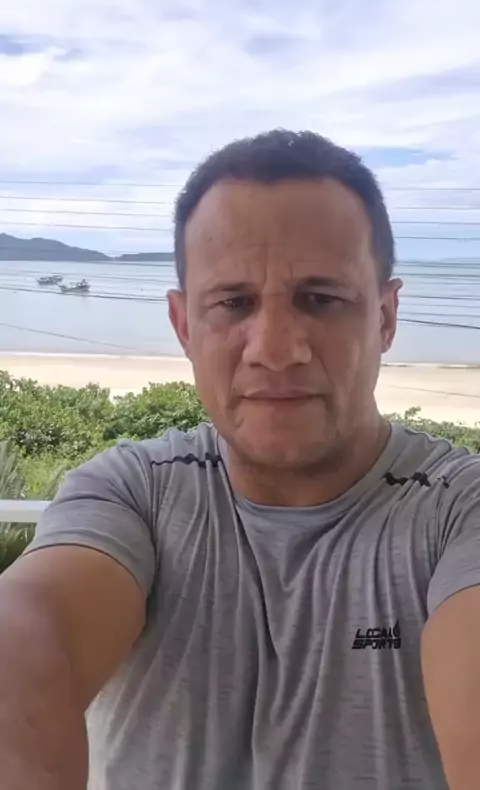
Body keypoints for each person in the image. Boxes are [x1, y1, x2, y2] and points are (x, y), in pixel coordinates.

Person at [0, 129, 479, 790]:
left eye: (321, 299)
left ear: (386, 317)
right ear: (184, 325)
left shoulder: (458, 509)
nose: (275, 349)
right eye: (233, 303)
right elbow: (31, 630)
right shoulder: (133, 492)